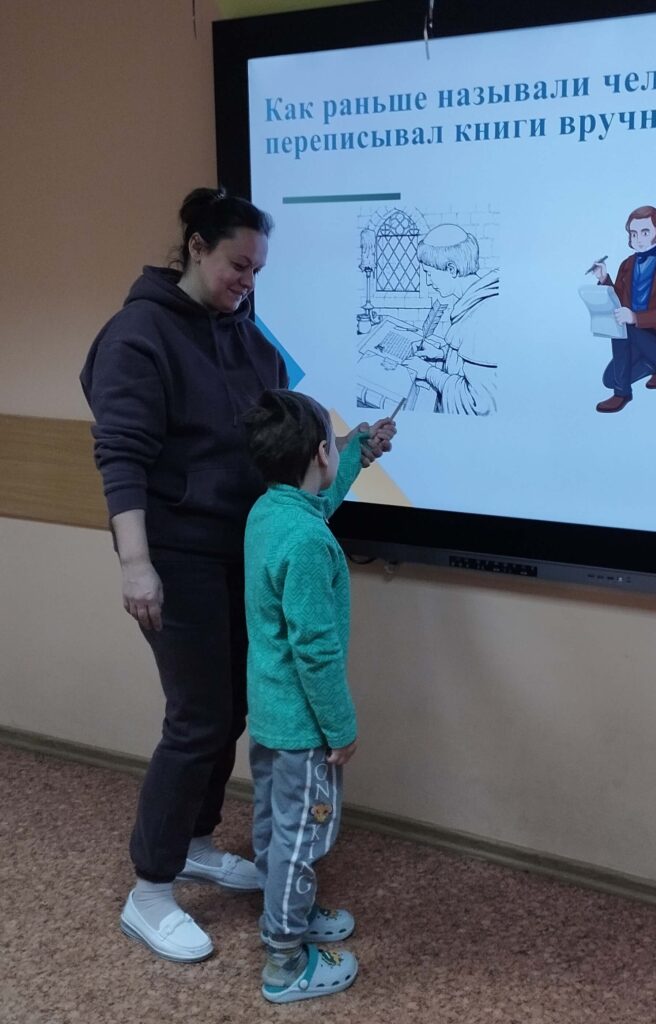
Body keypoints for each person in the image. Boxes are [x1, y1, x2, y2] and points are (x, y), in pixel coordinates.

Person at [79, 187, 390, 963]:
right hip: (173, 555)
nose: (247, 282)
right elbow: (120, 455)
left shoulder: (250, 338)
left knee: (232, 710)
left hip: (242, 547)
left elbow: (284, 445)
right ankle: (150, 890)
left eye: (258, 270)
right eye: (237, 265)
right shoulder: (138, 335)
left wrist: (350, 452)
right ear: (195, 246)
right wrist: (135, 565)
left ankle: (192, 842)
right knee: (197, 718)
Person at [242, 389, 394, 1003]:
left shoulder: (269, 511)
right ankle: (284, 961)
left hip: (270, 715)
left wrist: (357, 450)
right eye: (334, 442)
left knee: (275, 825)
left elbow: (319, 501)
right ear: (318, 454)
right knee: (300, 839)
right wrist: (341, 727)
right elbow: (316, 650)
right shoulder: (308, 543)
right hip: (305, 727)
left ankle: (291, 913)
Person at [593, 205, 656, 413]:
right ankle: (654, 367)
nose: (638, 239)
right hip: (635, 338)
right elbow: (619, 301)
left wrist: (635, 317)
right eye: (633, 233)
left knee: (622, 325)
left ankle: (622, 393)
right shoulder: (627, 264)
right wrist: (604, 279)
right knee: (608, 379)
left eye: (645, 232)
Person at [404, 224, 499, 414]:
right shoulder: (474, 303)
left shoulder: (482, 317)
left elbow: (477, 403)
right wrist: (441, 354)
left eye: (429, 273)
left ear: (452, 269)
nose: (428, 282)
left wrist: (428, 372)